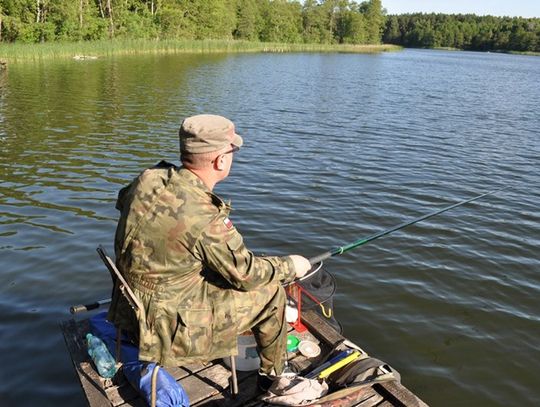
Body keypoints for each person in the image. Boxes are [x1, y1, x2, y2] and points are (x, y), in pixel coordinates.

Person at [107, 114, 311, 388]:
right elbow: (246, 275)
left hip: (128, 305)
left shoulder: (149, 178)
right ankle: (273, 376)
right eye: (232, 150)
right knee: (271, 292)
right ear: (220, 160)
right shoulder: (205, 216)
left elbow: (122, 202)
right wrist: (290, 266)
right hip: (166, 325)